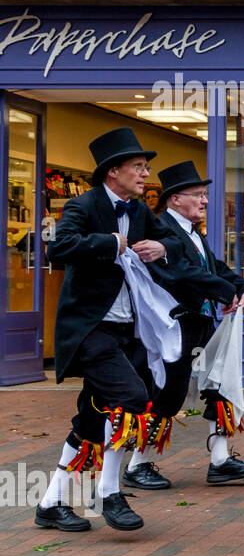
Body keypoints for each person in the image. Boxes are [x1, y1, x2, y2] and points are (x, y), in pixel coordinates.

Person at [34, 128, 183, 533]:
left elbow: (173, 237)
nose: (144, 173)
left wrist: (162, 248)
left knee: (90, 417)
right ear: (113, 172)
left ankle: (50, 504)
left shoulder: (139, 212)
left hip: (126, 329)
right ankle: (109, 491)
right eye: (138, 167)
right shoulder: (84, 205)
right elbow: (57, 249)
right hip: (89, 329)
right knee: (132, 396)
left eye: (145, 166)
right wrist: (110, 242)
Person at [137, 160, 244, 491]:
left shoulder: (194, 232)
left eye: (205, 195)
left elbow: (215, 267)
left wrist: (243, 288)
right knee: (169, 394)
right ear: (176, 198)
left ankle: (220, 461)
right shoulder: (161, 230)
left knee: (217, 386)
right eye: (198, 195)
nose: (206, 201)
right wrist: (226, 291)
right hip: (174, 327)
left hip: (202, 323)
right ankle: (138, 464)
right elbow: (181, 273)